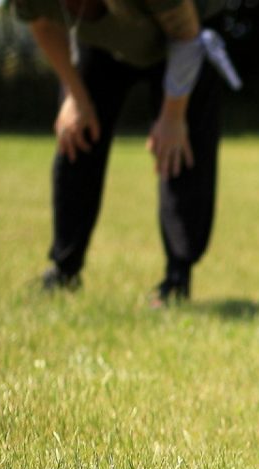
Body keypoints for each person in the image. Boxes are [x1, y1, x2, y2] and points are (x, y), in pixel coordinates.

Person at [15, 0, 240, 306]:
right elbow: (42, 23)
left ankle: (177, 278)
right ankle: (64, 268)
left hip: (183, 38)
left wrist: (173, 117)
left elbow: (186, 33)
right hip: (102, 43)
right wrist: (74, 94)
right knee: (76, 135)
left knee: (179, 152)